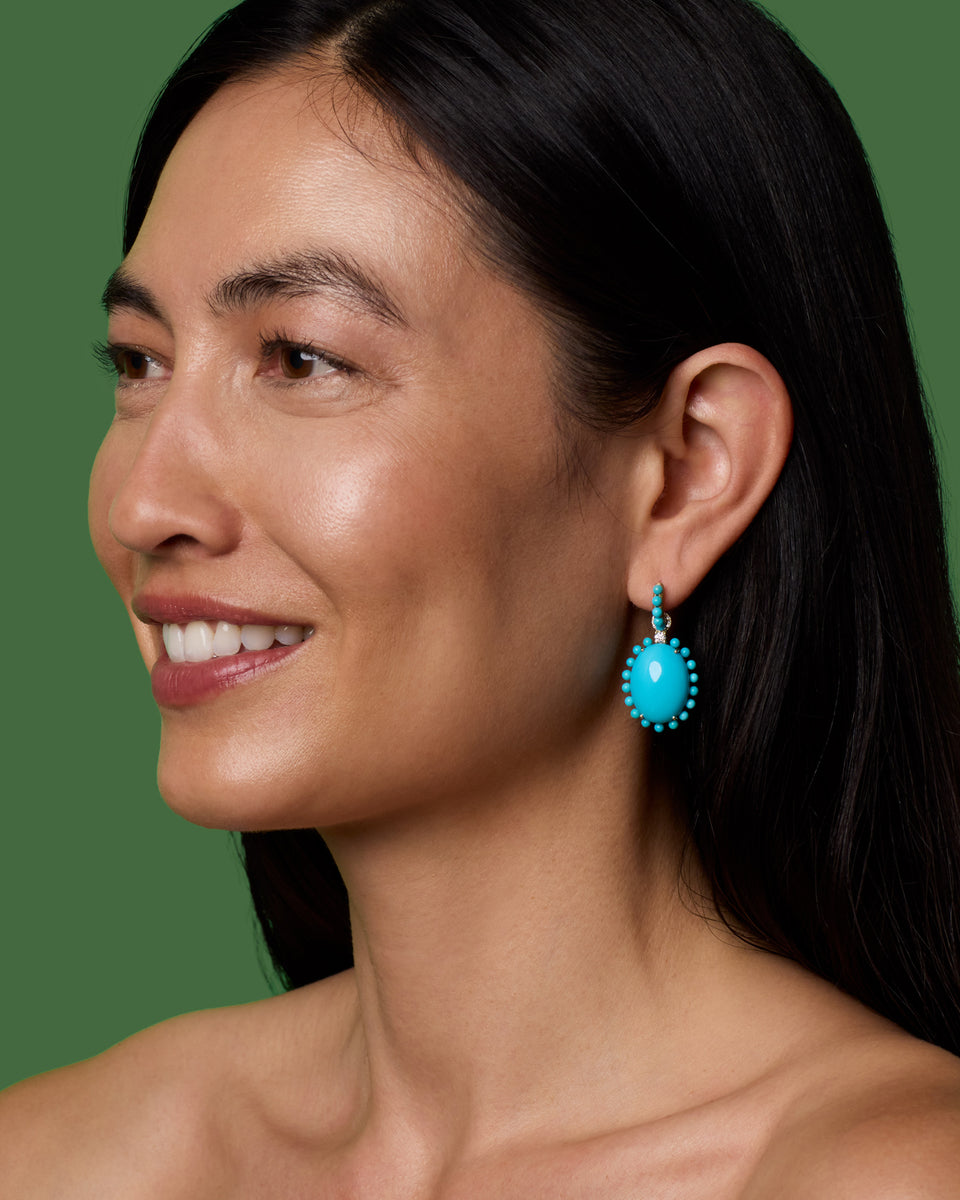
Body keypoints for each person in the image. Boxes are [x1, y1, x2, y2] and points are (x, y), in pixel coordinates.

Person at [2, 0, 958, 1194]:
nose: (144, 504)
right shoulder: (58, 1161)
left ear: (686, 473)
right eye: (141, 362)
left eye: (301, 358)